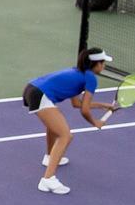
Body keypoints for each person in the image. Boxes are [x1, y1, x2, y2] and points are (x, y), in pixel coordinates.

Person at [23, 50, 113, 195]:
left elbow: (77, 103)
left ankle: (49, 157)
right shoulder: (91, 78)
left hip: (31, 89)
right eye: (103, 63)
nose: (104, 67)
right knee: (65, 136)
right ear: (95, 64)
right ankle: (48, 179)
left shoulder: (77, 72)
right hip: (41, 95)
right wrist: (95, 122)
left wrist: (103, 105)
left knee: (54, 127)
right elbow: (84, 110)